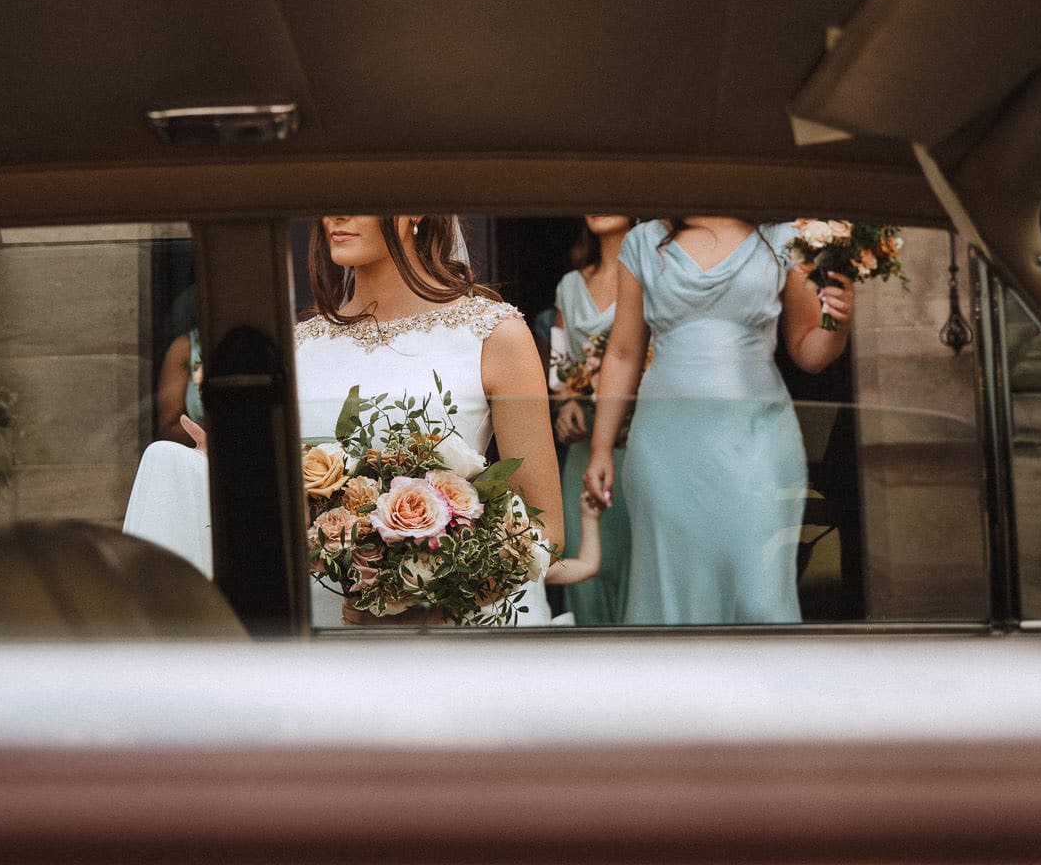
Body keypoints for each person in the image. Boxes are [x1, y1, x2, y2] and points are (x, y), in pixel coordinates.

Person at [123, 213, 564, 628]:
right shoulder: (298, 346)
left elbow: (545, 531)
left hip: (437, 630)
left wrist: (418, 595)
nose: (335, 213)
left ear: (416, 208)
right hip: (311, 624)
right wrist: (222, 471)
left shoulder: (493, 334)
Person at [582, 217, 854, 625]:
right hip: (664, 446)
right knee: (675, 592)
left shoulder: (784, 239)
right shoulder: (644, 240)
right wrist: (601, 448)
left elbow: (808, 352)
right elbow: (623, 353)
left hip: (758, 440)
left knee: (761, 597)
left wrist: (838, 322)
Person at [548, 215, 635, 625]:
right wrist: (565, 404)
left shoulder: (653, 276)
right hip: (586, 452)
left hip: (637, 442)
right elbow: (561, 371)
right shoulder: (569, 287)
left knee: (638, 564)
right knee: (585, 567)